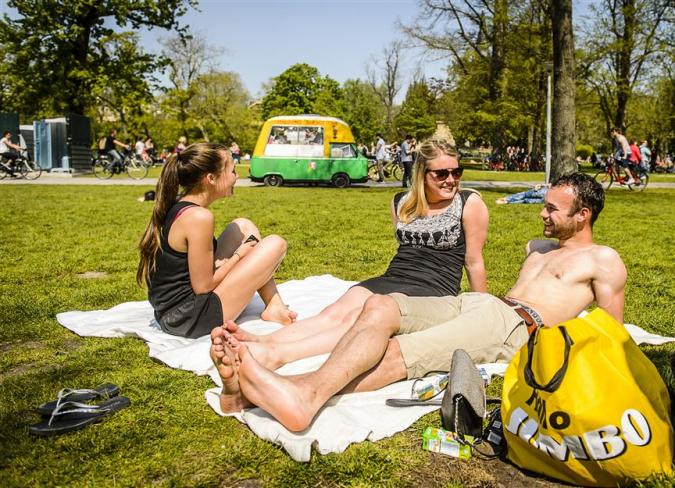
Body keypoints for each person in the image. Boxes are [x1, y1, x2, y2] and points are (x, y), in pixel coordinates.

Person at [212, 173, 627, 431]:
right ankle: (263, 391)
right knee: (380, 306)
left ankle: (300, 395)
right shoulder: (537, 247)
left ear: (583, 215)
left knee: (397, 354)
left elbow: (611, 335)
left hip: (517, 327)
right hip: (481, 305)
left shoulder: (602, 260)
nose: (542, 215)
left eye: (553, 209)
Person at [213, 140, 490, 384]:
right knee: (332, 313)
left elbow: (474, 261)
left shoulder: (469, 202)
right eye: (441, 173)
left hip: (433, 288)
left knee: (354, 322)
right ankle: (262, 341)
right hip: (394, 276)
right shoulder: (401, 202)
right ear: (422, 174)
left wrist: (481, 310)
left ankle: (276, 354)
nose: (450, 179)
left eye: (456, 172)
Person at [137, 142, 295, 339]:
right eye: (232, 170)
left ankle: (274, 306)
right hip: (188, 319)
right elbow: (203, 287)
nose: (236, 177)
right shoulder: (199, 217)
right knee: (275, 244)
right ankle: (273, 307)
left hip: (171, 312)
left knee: (243, 226)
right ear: (211, 178)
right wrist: (239, 256)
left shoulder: (183, 205)